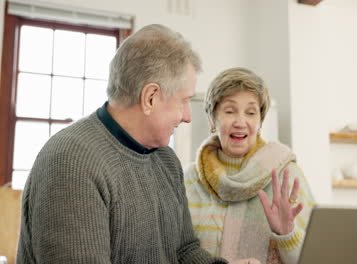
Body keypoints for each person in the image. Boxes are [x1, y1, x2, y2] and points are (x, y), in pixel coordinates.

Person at [16, 24, 231, 264]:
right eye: (184, 101)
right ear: (150, 97)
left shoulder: (166, 160)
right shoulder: (70, 163)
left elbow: (184, 251)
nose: (188, 116)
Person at [184, 67, 315, 264]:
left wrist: (287, 234)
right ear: (212, 119)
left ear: (260, 121)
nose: (240, 122)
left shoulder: (286, 176)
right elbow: (173, 255)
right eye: (230, 111)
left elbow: (316, 257)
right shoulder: (189, 180)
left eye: (251, 112)